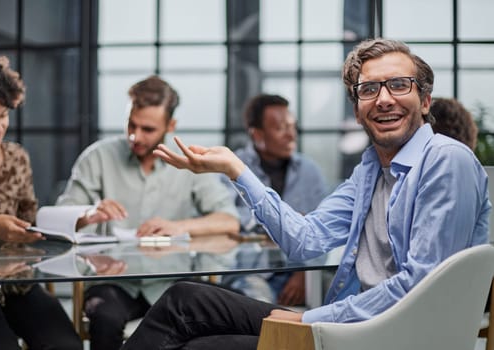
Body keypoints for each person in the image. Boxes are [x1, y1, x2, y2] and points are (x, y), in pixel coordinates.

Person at [120, 38, 491, 350]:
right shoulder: (369, 172)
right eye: (368, 89)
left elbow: (419, 285)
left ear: (425, 102)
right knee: (187, 301)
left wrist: (312, 319)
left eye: (398, 85)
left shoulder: (446, 159)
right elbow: (304, 241)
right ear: (358, 110)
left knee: (199, 339)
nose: (383, 99)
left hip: (390, 337)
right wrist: (236, 169)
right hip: (355, 327)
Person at [56, 75, 240, 350]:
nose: (135, 136)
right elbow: (60, 218)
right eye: (131, 124)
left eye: (148, 129)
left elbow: (229, 222)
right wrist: (89, 213)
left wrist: (180, 227)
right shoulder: (98, 156)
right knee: (104, 318)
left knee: (234, 309)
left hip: (173, 283)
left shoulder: (190, 162)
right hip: (114, 283)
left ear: (171, 126)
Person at [0, 53, 82, 349]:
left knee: (66, 344)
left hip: (16, 283)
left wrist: (70, 223)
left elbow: (29, 221)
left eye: (3, 115)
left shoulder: (17, 158)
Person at [222, 93, 328, 306]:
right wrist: (284, 220)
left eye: (292, 126)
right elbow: (227, 220)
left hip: (299, 272)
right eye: (281, 128)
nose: (291, 135)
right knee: (261, 311)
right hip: (251, 273)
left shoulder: (310, 171)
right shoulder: (231, 166)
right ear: (257, 135)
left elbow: (324, 229)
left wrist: (304, 274)